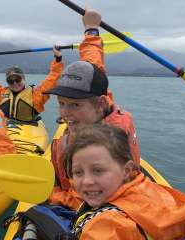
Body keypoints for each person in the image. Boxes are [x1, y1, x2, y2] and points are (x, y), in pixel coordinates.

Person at [44, 8, 140, 210]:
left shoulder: (111, 142)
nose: (64, 114)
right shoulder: (99, 102)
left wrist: (55, 196)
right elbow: (93, 64)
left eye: (75, 104)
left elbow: (92, 199)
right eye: (61, 103)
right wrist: (91, 30)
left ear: (101, 104)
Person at [63, 124, 185, 239]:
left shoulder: (106, 227)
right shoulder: (143, 185)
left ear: (126, 170)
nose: (87, 181)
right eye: (78, 172)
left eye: (98, 171)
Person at [0, 46, 64, 122]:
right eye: (10, 80)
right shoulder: (0, 93)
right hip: (5, 127)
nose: (14, 83)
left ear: (23, 79)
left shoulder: (36, 94)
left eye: (17, 79)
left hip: (28, 129)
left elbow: (53, 78)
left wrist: (58, 58)